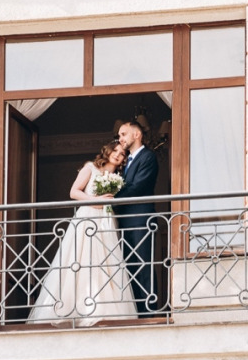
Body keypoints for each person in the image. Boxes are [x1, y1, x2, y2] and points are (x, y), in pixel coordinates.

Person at [27, 140, 138, 326]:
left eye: (123, 154)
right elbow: (74, 192)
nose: (118, 155)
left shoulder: (118, 176)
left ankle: (104, 309)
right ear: (108, 150)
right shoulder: (90, 167)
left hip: (106, 220)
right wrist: (94, 200)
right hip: (88, 217)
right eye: (116, 150)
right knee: (81, 259)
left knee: (106, 262)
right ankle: (74, 309)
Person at [114, 120, 164, 315]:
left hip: (141, 220)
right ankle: (135, 310)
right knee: (130, 267)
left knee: (144, 266)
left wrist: (111, 198)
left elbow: (138, 187)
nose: (120, 139)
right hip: (126, 221)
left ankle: (148, 311)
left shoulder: (148, 157)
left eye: (123, 134)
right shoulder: (126, 161)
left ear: (137, 135)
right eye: (119, 135)